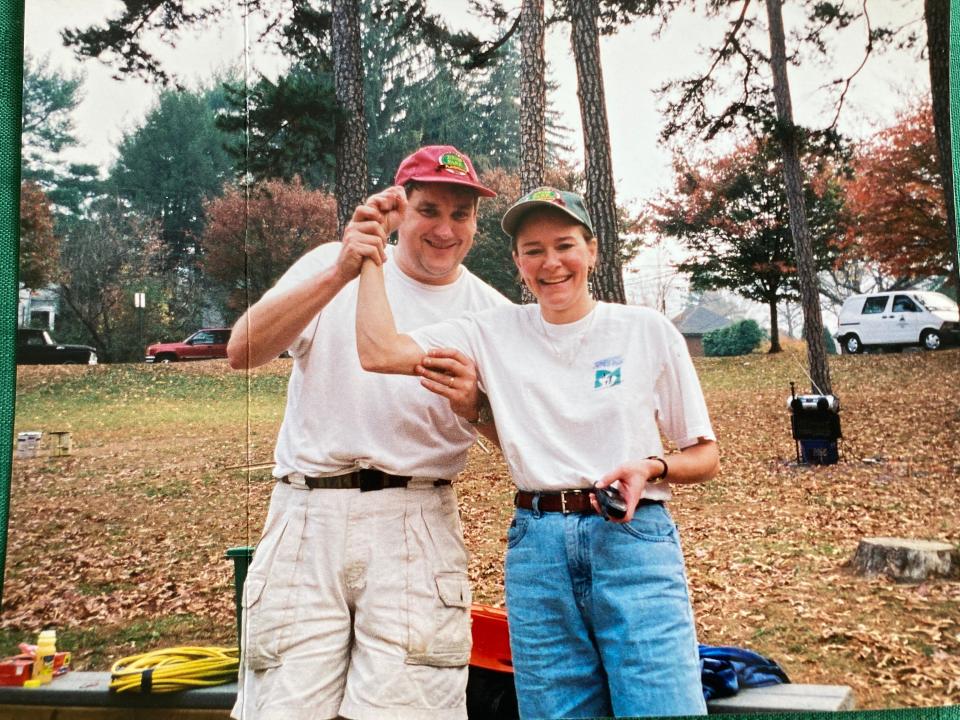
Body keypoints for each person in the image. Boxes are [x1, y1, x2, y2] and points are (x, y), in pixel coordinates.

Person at [355, 186, 720, 719]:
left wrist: (652, 466)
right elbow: (379, 351)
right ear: (517, 262)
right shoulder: (492, 330)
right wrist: (371, 253)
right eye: (533, 250)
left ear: (592, 251)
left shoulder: (646, 330)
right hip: (538, 548)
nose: (551, 263)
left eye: (565, 245)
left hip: (635, 541)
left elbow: (706, 455)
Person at [226, 145, 507, 720]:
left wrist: (477, 407)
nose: (446, 229)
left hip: (416, 523)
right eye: (429, 210)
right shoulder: (333, 262)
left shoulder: (492, 314)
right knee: (284, 708)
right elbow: (242, 351)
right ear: (398, 209)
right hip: (306, 514)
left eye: (462, 214)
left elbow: (520, 443)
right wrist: (339, 272)